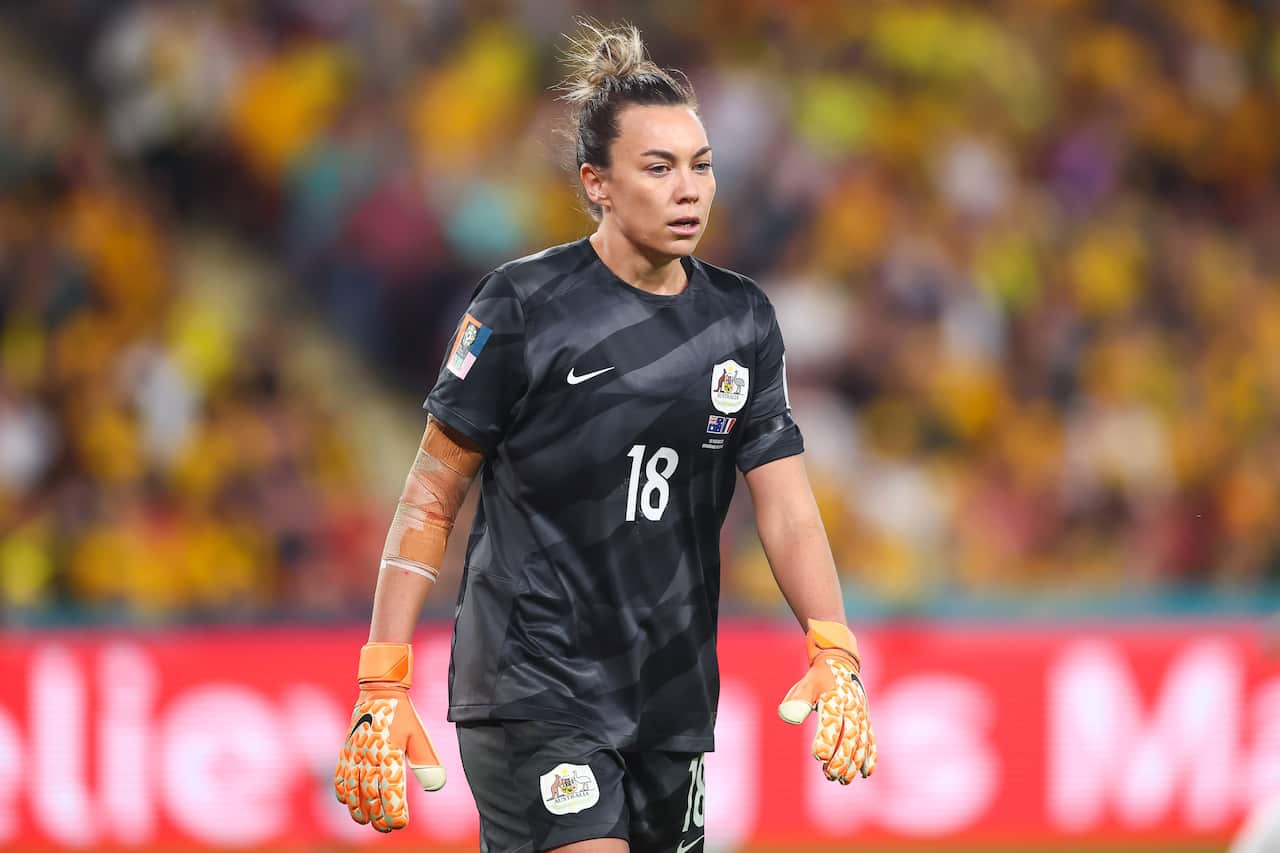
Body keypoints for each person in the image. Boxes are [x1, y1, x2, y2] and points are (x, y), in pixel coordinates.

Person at [333, 20, 876, 853]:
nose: (688, 188)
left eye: (701, 166)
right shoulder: (520, 307)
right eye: (658, 168)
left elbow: (789, 508)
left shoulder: (741, 321)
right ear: (598, 183)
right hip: (534, 681)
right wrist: (383, 671)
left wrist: (833, 642)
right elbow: (433, 489)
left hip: (669, 692)